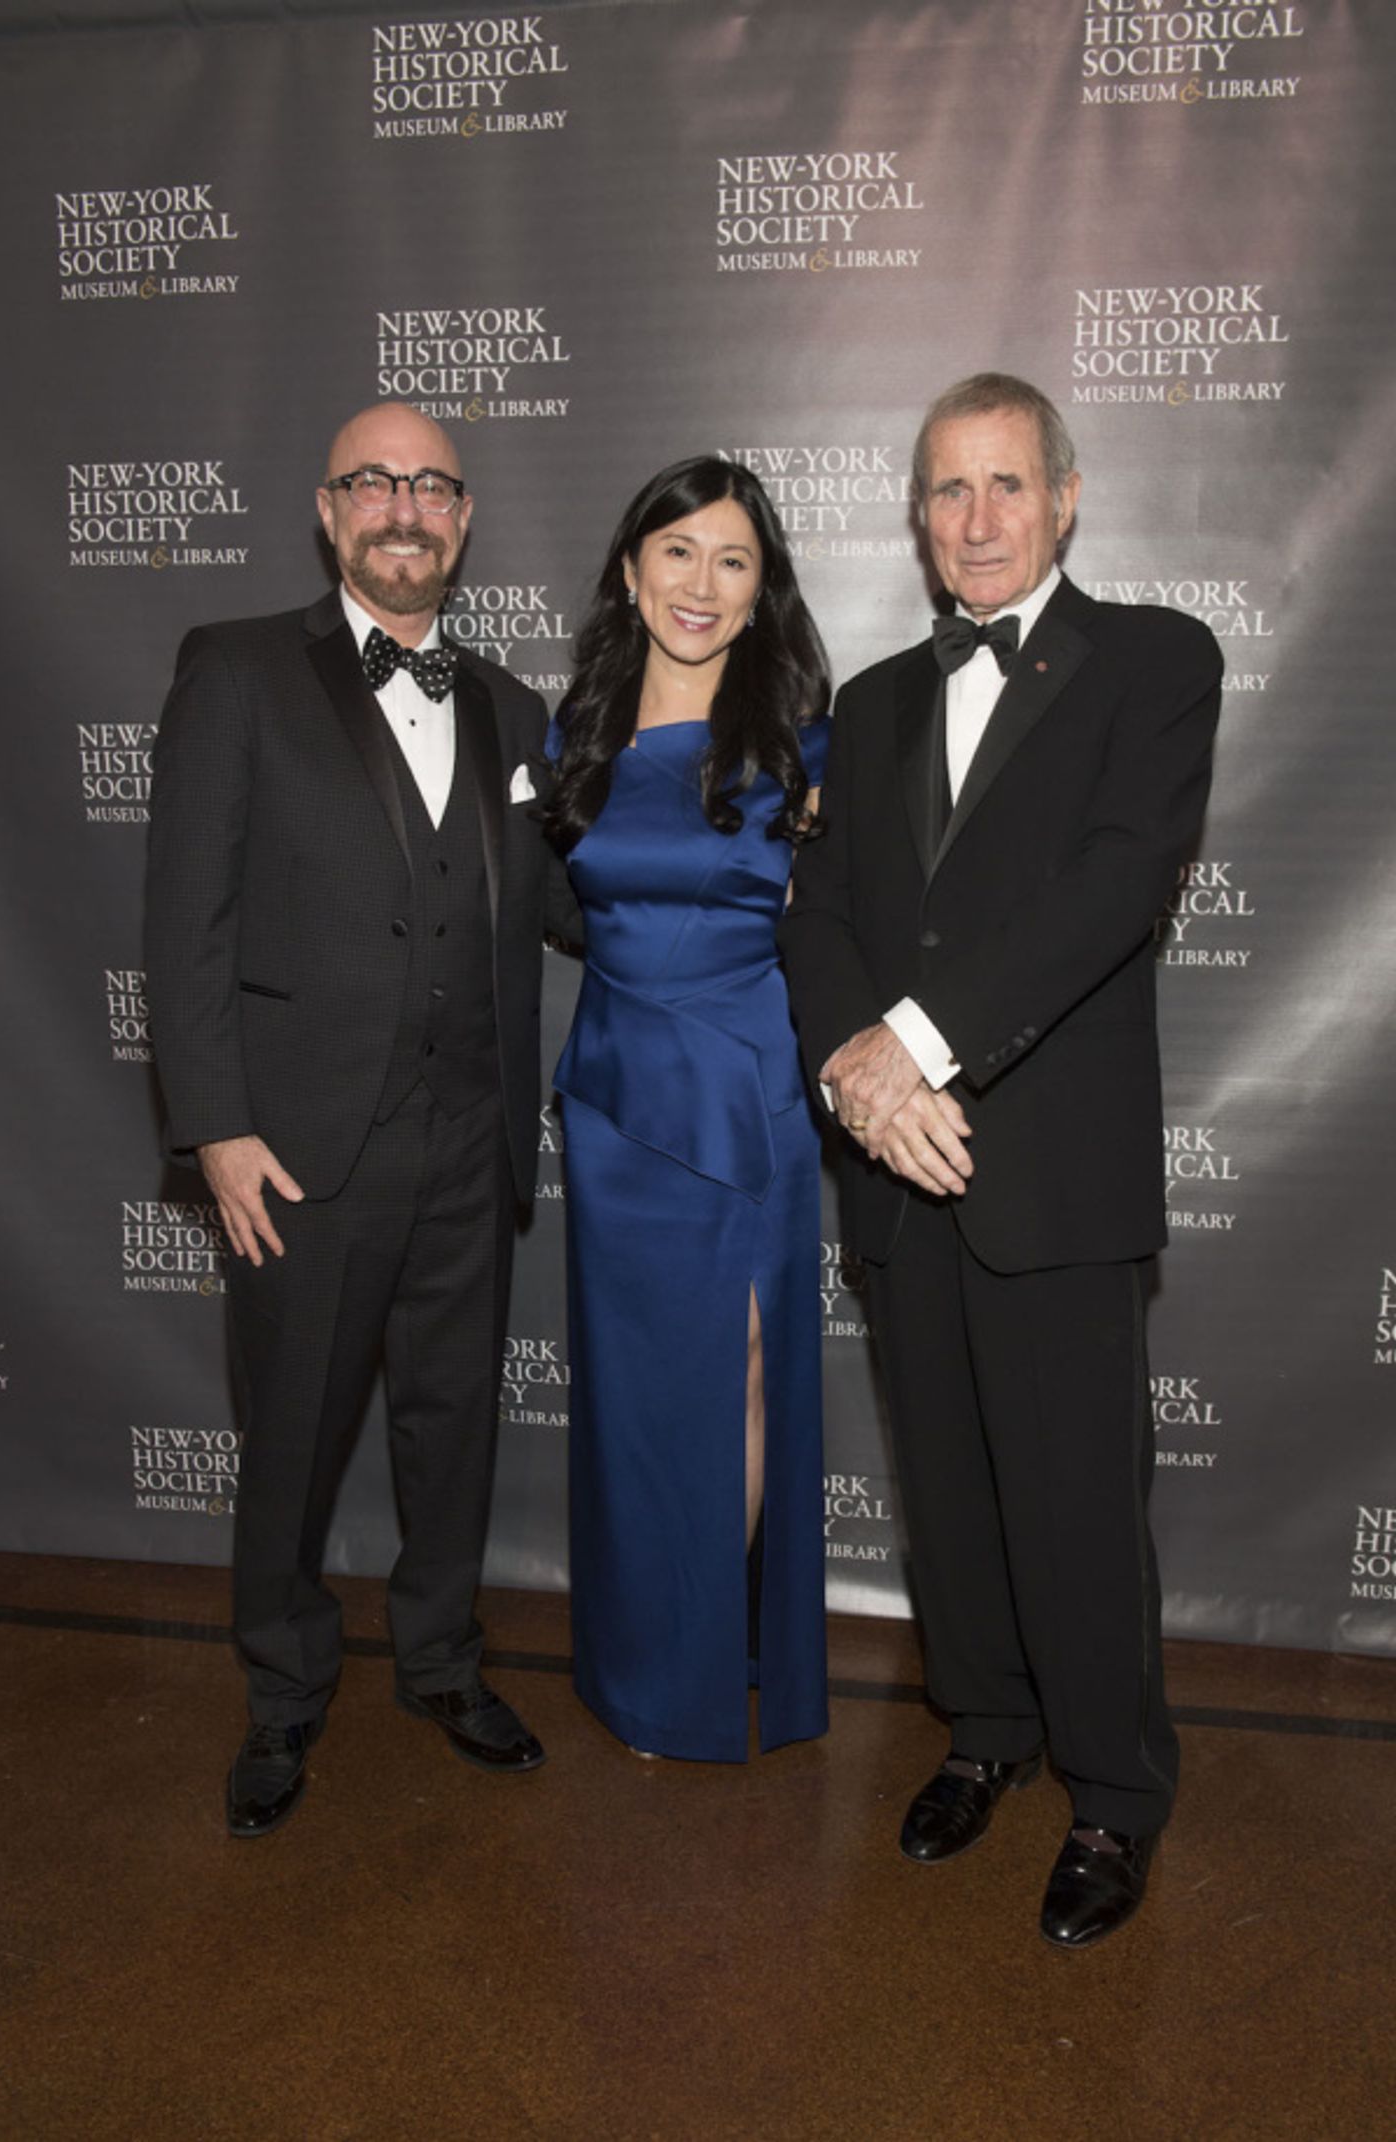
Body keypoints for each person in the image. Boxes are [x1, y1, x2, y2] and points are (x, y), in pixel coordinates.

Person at [780, 374, 1222, 1946]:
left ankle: (1114, 1789)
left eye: (1007, 487)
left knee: (1078, 1504)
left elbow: (1110, 891)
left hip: (1050, 1163)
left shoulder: (1159, 662)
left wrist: (917, 1042)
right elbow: (815, 912)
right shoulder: (874, 698)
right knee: (948, 1496)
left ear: (1068, 495)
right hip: (898, 1164)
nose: (976, 519)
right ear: (915, 513)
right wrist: (855, 1067)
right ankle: (986, 1731)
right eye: (948, 491)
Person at [145, 401, 580, 1836]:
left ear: (463, 519)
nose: (406, 506)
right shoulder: (239, 669)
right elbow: (184, 918)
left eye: (434, 486)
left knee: (453, 1426)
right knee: (290, 1439)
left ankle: (443, 1660)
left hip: (471, 1139)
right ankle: (281, 1694)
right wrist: (213, 1123)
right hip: (298, 1150)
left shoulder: (516, 710)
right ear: (329, 513)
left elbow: (574, 897)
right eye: (375, 483)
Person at [544, 456, 832, 1762]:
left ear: (761, 588)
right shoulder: (575, 733)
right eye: (677, 552)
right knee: (635, 1388)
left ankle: (710, 1653)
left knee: (751, 1364)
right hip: (616, 1097)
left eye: (732, 560)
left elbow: (834, 930)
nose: (700, 584)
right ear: (630, 567)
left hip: (745, 1084)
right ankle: (645, 1658)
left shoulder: (799, 747)